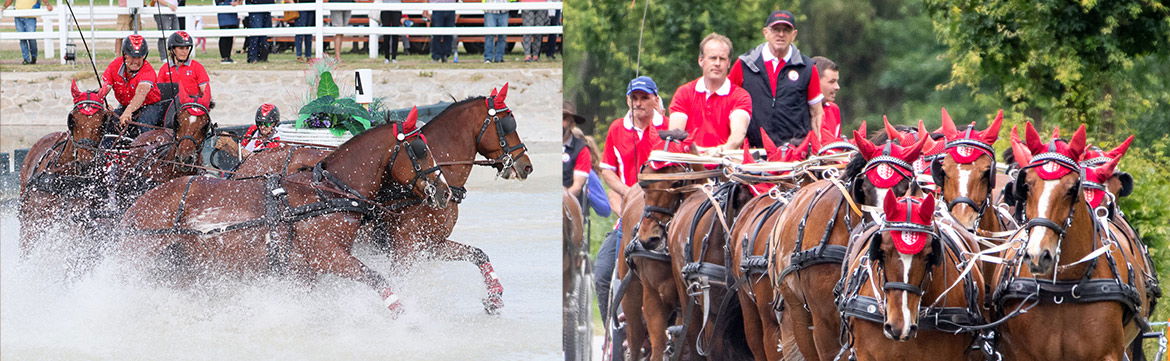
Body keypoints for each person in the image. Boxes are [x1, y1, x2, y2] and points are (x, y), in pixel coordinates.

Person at [594, 75, 668, 320]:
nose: (639, 103)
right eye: (634, 98)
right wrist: (628, 195)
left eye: (644, 98)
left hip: (664, 215)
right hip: (627, 219)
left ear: (656, 100)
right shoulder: (617, 128)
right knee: (602, 273)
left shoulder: (667, 126)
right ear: (628, 100)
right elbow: (607, 170)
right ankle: (613, 329)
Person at [729, 10, 823, 147]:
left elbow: (816, 113)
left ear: (794, 35)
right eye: (775, 29)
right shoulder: (744, 64)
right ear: (765, 33)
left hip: (795, 153)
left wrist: (817, 147)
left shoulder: (807, 67)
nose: (781, 34)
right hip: (754, 152)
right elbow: (728, 104)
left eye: (786, 30)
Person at [667, 32, 752, 154]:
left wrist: (718, 152)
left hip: (724, 163)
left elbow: (738, 135)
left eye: (722, 59)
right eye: (713, 58)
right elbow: (675, 134)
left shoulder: (741, 96)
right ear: (701, 61)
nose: (717, 63)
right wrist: (696, 153)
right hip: (689, 163)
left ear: (728, 63)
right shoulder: (683, 93)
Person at [103, 35, 166, 135]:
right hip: (125, 105)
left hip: (150, 106)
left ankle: (145, 149)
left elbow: (141, 93)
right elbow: (104, 88)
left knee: (142, 124)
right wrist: (102, 103)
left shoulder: (148, 71)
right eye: (132, 57)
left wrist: (128, 111)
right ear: (125, 55)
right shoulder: (114, 66)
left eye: (139, 57)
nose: (136, 61)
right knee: (110, 125)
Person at [157, 31, 212, 121]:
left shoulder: (197, 67)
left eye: (187, 48)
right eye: (181, 48)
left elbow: (205, 91)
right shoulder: (164, 69)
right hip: (170, 107)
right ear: (172, 49)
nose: (185, 52)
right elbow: (159, 92)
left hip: (192, 107)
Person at [2, 0, 52, 65]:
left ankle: (34, 57)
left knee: (32, 38)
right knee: (22, 39)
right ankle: (26, 59)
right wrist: (3, 7)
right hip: (18, 16)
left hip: (30, 16)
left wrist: (48, 4)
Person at [563, 101, 591, 198]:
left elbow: (577, 187)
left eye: (563, 118)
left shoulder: (581, 150)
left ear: (572, 124)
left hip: (571, 206)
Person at [812, 56, 841, 137]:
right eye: (832, 82)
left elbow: (837, 146)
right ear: (814, 81)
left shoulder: (834, 110)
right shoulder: (797, 111)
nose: (837, 87)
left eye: (837, 81)